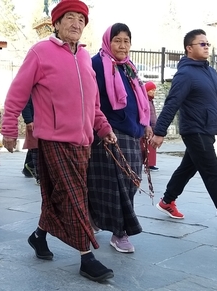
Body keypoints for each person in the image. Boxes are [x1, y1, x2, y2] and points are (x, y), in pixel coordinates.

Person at [1, 0, 117, 282]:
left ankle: (39, 235)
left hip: (83, 143)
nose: (76, 24)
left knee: (60, 194)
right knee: (75, 196)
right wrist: (8, 129)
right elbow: (17, 92)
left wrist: (104, 128)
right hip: (53, 140)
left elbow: (94, 105)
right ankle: (86, 257)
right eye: (70, 18)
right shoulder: (40, 53)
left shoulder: (85, 60)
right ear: (56, 23)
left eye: (81, 19)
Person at [149, 29, 217, 233]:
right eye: (202, 44)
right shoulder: (185, 74)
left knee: (187, 169)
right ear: (189, 48)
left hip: (207, 130)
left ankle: (167, 201)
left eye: (208, 43)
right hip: (195, 130)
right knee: (212, 172)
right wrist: (159, 131)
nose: (207, 46)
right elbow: (172, 103)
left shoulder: (210, 71)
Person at [87, 23, 151, 253]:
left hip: (132, 133)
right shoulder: (96, 64)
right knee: (117, 185)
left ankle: (94, 217)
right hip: (108, 132)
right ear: (107, 41)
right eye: (117, 40)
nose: (122, 45)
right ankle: (120, 232)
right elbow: (91, 100)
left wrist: (146, 125)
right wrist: (102, 128)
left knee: (131, 181)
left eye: (127, 40)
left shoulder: (129, 68)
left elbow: (139, 100)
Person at [21, 98, 40, 185]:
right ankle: (39, 176)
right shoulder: (31, 89)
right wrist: (28, 120)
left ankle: (30, 168)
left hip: (45, 122)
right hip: (34, 123)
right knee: (36, 149)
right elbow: (25, 104)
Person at [142, 81, 159, 171]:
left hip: (152, 126)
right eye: (151, 90)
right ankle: (148, 163)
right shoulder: (145, 101)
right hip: (147, 126)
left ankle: (150, 163)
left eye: (154, 90)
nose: (153, 92)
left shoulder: (150, 101)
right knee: (147, 146)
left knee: (151, 147)